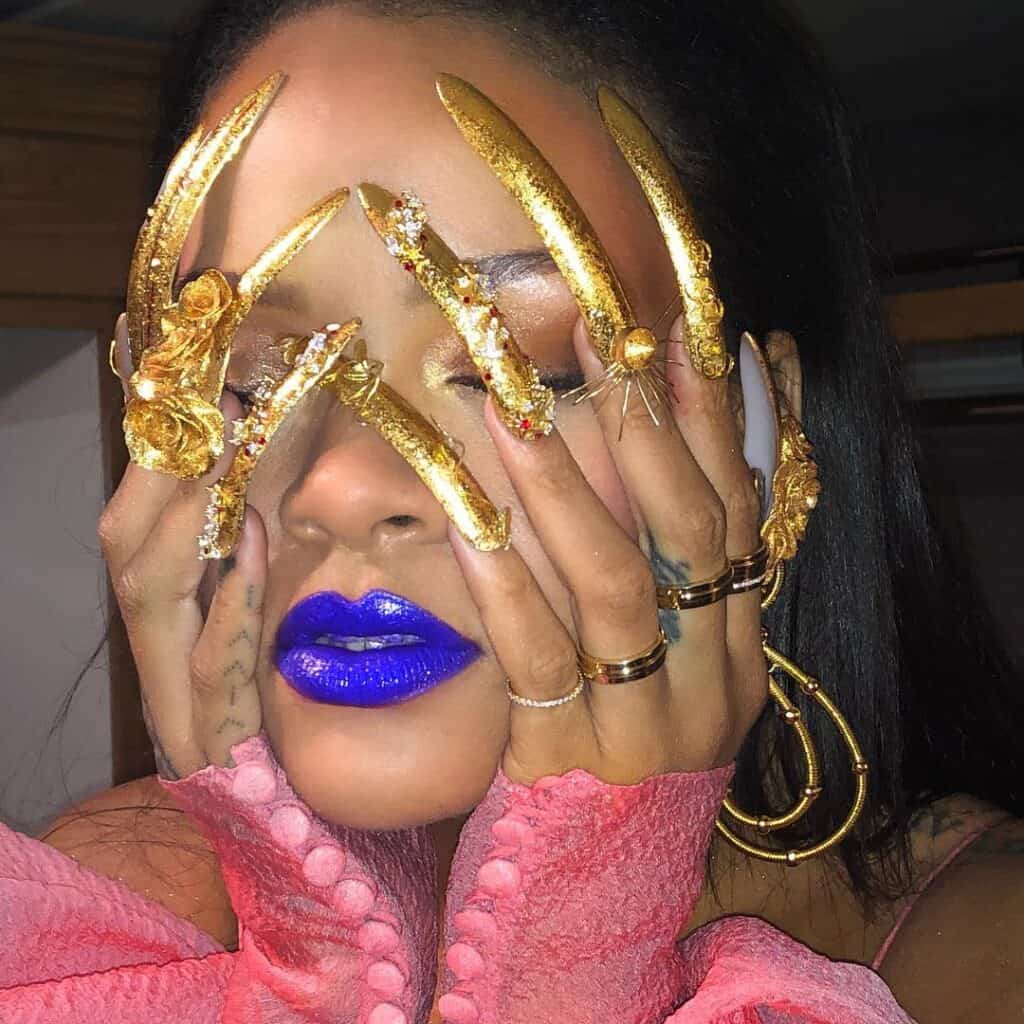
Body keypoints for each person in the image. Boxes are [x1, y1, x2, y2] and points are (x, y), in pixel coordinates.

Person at [2, 0, 1021, 1021]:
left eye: (521, 368)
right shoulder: (93, 922)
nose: (338, 489)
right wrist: (309, 958)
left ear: (760, 428)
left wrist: (585, 936)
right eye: (248, 377)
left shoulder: (980, 960)